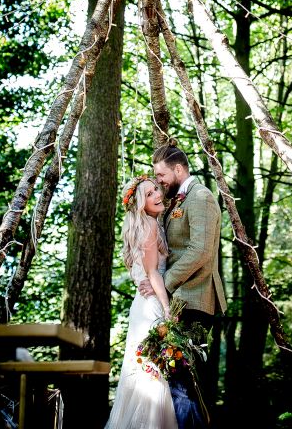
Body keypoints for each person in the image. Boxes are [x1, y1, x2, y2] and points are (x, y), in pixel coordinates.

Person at [140, 140, 226, 427]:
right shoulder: (178, 199)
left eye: (162, 175)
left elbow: (200, 251)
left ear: (178, 169)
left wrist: (164, 282)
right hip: (181, 300)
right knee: (182, 385)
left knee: (182, 384)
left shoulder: (200, 197)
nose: (159, 181)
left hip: (196, 299)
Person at [105, 174, 178, 429]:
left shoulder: (151, 223)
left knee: (149, 372)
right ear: (139, 203)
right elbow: (152, 273)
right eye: (148, 194)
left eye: (155, 190)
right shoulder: (147, 226)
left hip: (145, 301)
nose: (157, 195)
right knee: (153, 375)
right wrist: (168, 309)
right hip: (151, 305)